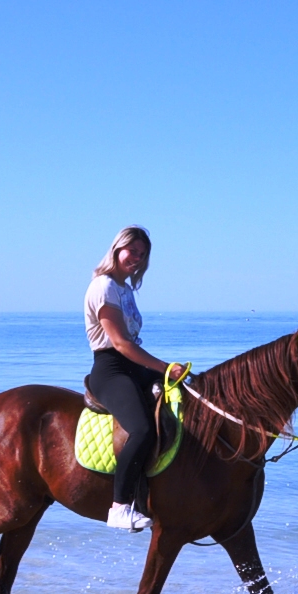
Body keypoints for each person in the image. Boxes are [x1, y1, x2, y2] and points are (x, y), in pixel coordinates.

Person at [84, 226, 186, 532]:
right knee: (141, 429)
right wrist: (165, 366)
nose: (137, 259)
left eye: (142, 255)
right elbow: (120, 343)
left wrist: (165, 372)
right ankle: (119, 507)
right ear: (117, 249)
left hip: (131, 364)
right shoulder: (103, 287)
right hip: (111, 369)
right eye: (132, 251)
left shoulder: (124, 288)